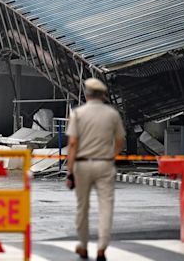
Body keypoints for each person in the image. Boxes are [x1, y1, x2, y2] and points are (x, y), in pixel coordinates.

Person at [66, 78, 126, 261]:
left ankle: (83, 246)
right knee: (106, 206)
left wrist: (69, 172)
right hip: (104, 164)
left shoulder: (78, 114)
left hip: (82, 165)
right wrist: (112, 156)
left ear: (86, 94)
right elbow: (120, 140)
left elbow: (73, 144)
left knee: (82, 207)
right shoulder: (112, 114)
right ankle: (102, 247)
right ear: (103, 95)